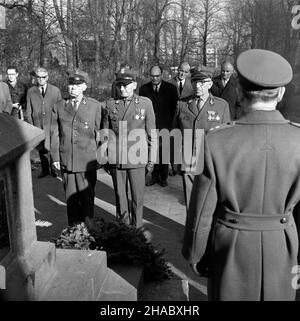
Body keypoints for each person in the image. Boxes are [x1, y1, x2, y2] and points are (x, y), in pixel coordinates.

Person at [182, 49, 300, 301]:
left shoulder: (217, 141)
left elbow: (202, 210)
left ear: (239, 91)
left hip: (231, 246)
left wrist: (194, 253)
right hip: (283, 246)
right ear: (281, 93)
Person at [102, 72, 157, 229]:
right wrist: (104, 156)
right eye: (119, 85)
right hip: (116, 158)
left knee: (137, 197)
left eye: (126, 85)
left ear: (134, 85)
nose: (122, 88)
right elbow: (105, 133)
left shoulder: (145, 103)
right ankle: (123, 229)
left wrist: (151, 160)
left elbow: (152, 133)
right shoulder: (111, 104)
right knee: (120, 196)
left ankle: (137, 228)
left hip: (137, 158)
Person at [172, 68, 230, 214]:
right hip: (188, 158)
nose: (198, 86)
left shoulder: (221, 106)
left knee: (211, 202)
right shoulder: (182, 104)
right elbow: (176, 133)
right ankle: (191, 234)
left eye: (202, 82)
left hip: (211, 160)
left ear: (210, 84)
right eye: (195, 82)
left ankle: (208, 234)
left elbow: (226, 138)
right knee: (190, 202)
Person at [51, 70, 102, 227]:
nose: (72, 88)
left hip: (87, 160)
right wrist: (55, 157)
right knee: (71, 200)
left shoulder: (94, 106)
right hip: (67, 159)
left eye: (77, 85)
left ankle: (88, 232)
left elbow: (100, 133)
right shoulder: (59, 106)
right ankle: (74, 233)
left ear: (84, 87)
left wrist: (101, 156)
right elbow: (54, 133)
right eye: (70, 85)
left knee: (87, 199)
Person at [140, 65, 178, 187]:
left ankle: (164, 177)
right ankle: (154, 177)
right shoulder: (144, 89)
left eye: (157, 76)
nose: (154, 78)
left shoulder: (171, 88)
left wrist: (172, 125)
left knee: (164, 152)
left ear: (162, 75)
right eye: (152, 76)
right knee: (153, 151)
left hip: (165, 124)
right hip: (150, 126)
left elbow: (174, 108)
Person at [26, 67, 62, 178]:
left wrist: (60, 122)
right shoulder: (31, 91)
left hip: (52, 123)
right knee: (42, 147)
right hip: (38, 124)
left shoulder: (55, 90)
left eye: (43, 77)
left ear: (47, 77)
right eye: (38, 77)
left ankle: (54, 169)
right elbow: (28, 110)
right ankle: (45, 169)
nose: (41, 79)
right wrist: (32, 125)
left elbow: (60, 107)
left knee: (54, 146)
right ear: (35, 78)